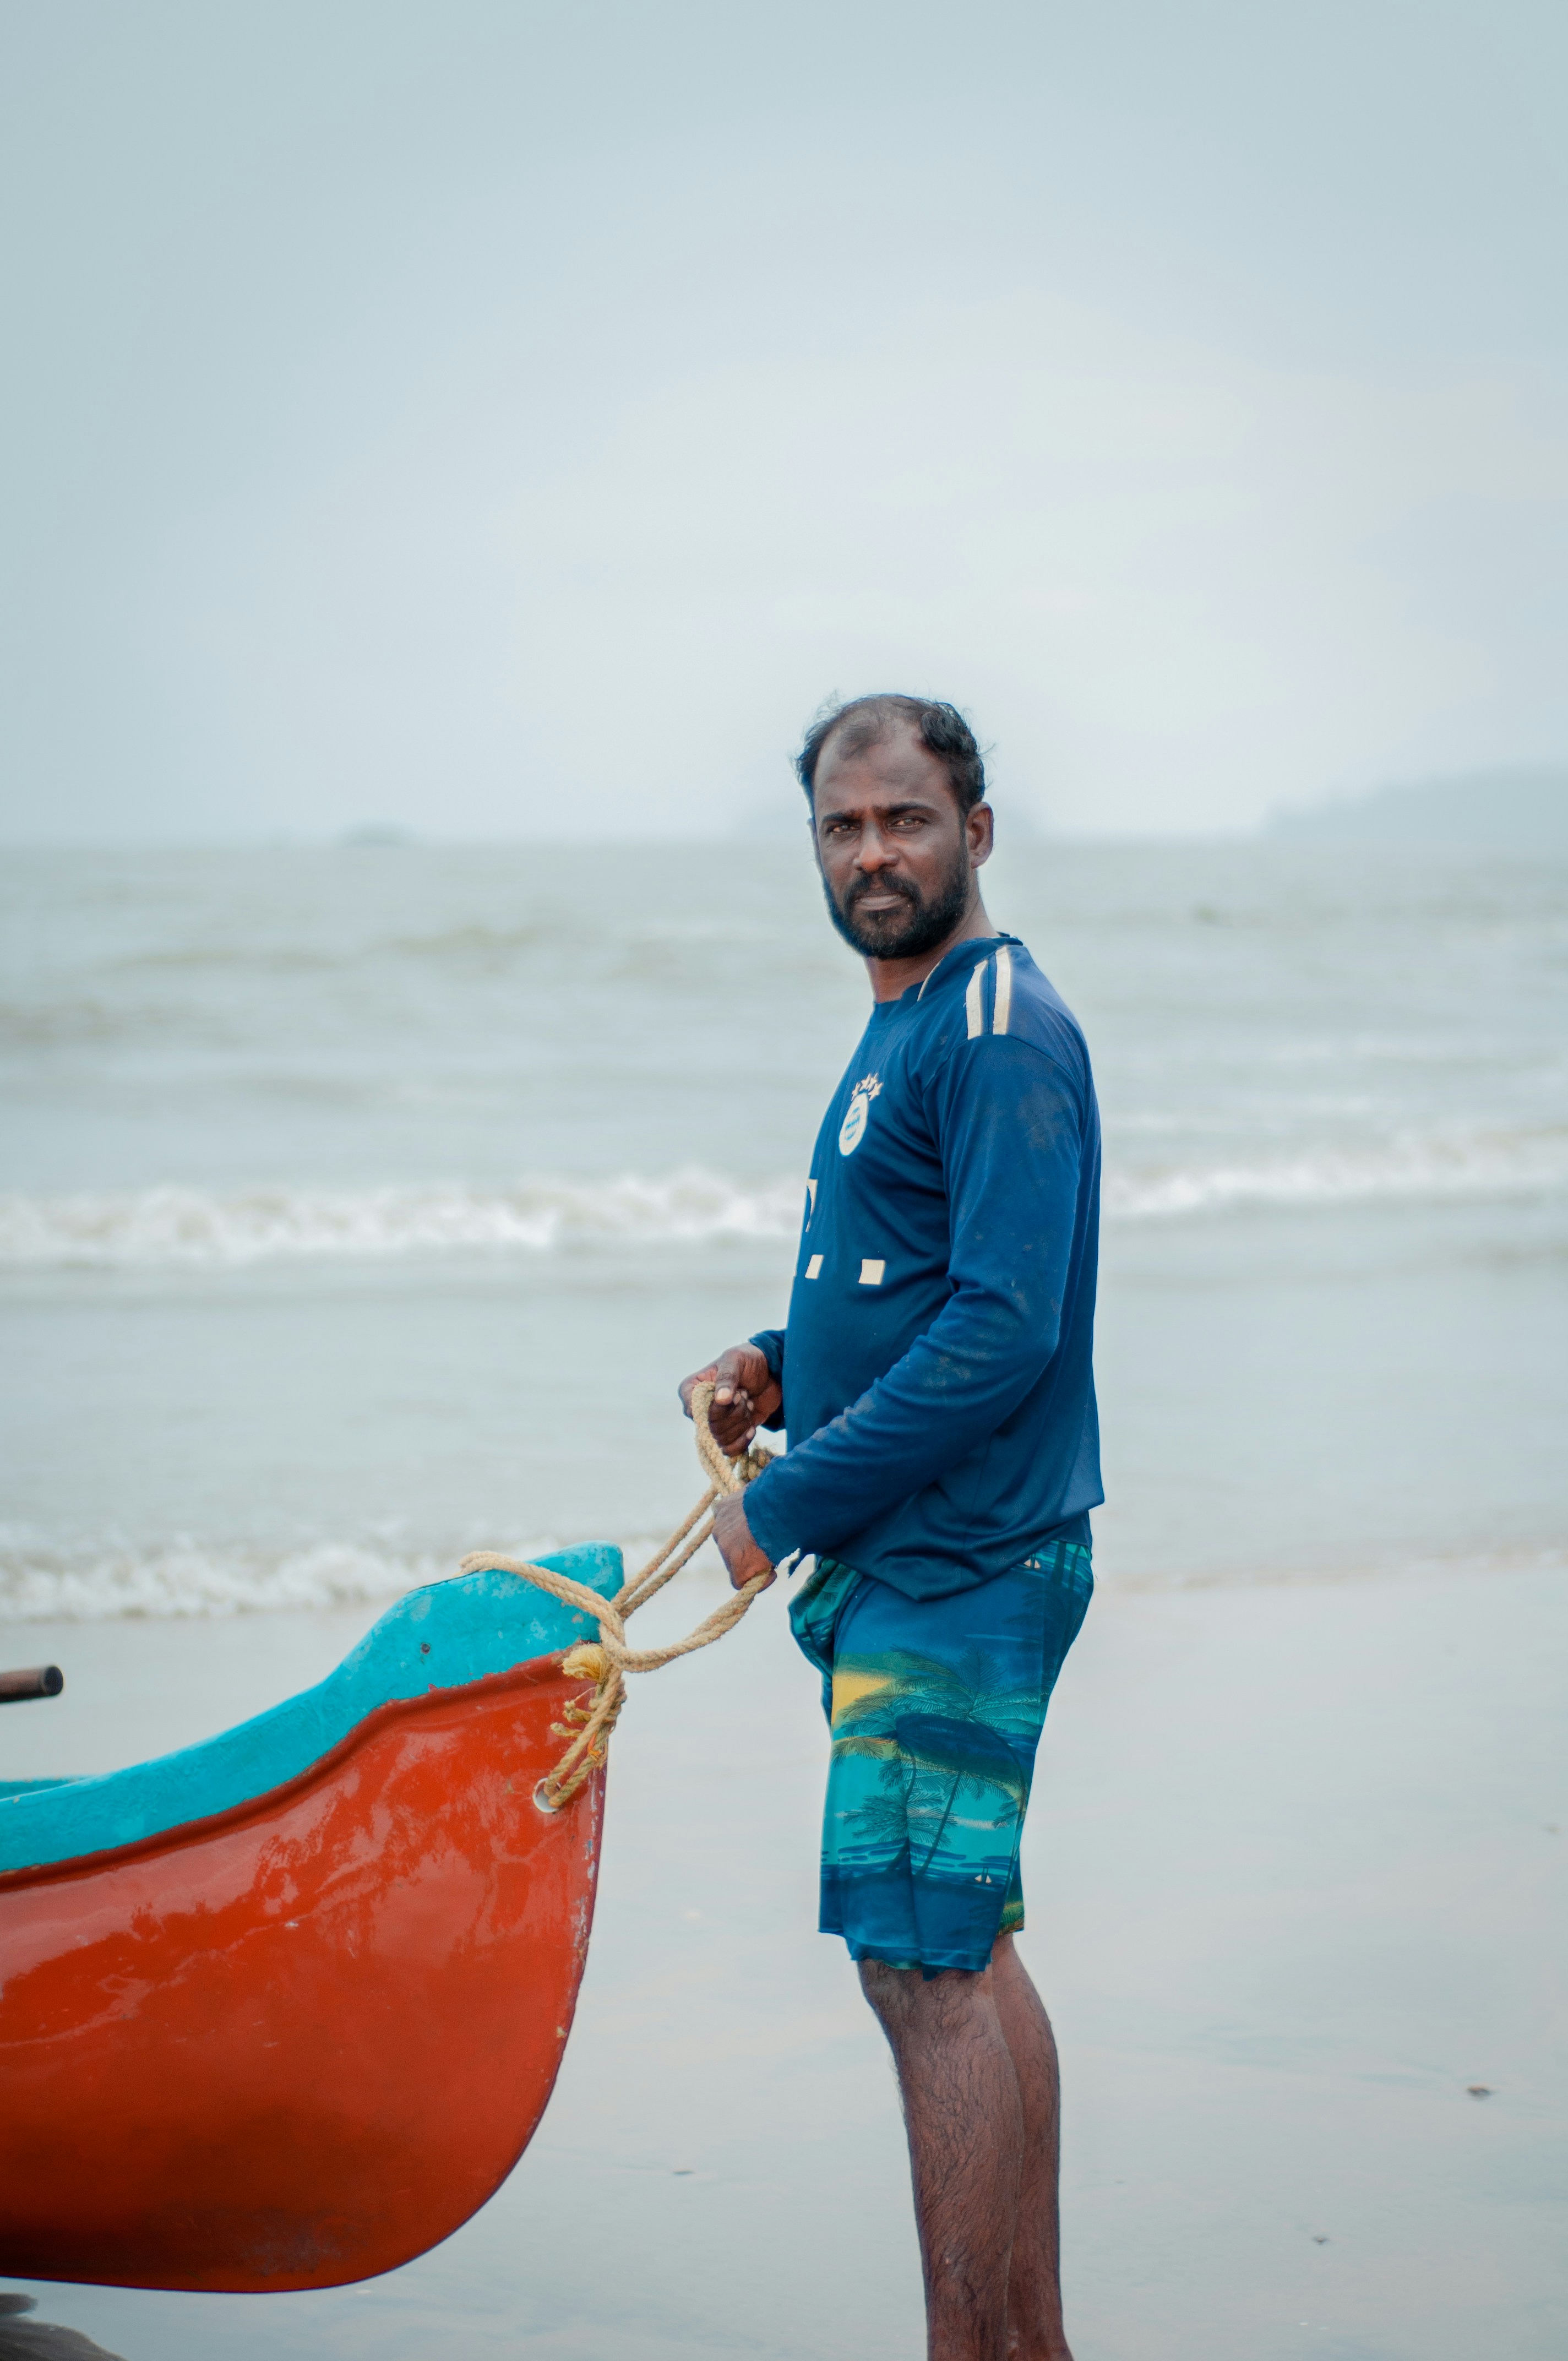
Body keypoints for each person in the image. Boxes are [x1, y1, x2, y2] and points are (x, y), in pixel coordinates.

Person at [679, 694, 1102, 2361]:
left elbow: (1005, 1328)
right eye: (843, 828)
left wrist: (776, 1509)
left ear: (974, 833)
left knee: (921, 1972)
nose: (873, 852)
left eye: (905, 821)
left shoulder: (999, 1025)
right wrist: (775, 1369)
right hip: (925, 1551)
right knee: (961, 1953)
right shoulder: (916, 1019)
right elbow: (921, 1288)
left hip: (964, 1561)